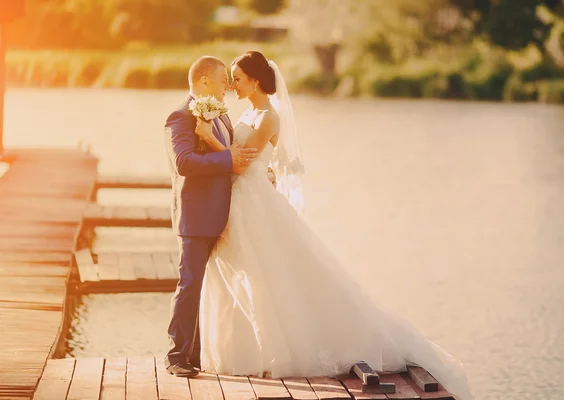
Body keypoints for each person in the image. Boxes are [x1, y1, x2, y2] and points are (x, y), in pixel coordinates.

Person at [192, 51, 474, 400]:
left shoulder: (269, 118)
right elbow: (241, 161)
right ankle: (239, 352)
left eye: (236, 78)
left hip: (255, 206)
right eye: (230, 78)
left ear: (254, 81)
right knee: (240, 276)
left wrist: (209, 136)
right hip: (241, 204)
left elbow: (239, 165)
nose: (231, 84)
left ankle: (275, 351)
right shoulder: (246, 113)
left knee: (267, 277)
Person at [163, 56, 259, 377]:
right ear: (204, 82)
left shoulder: (219, 116)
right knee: (190, 284)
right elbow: (184, 163)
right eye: (222, 82)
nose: (227, 88)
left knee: (211, 287)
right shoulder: (180, 116)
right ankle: (177, 356)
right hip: (195, 215)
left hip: (222, 215)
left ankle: (200, 354)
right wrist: (229, 159)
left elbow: (226, 152)